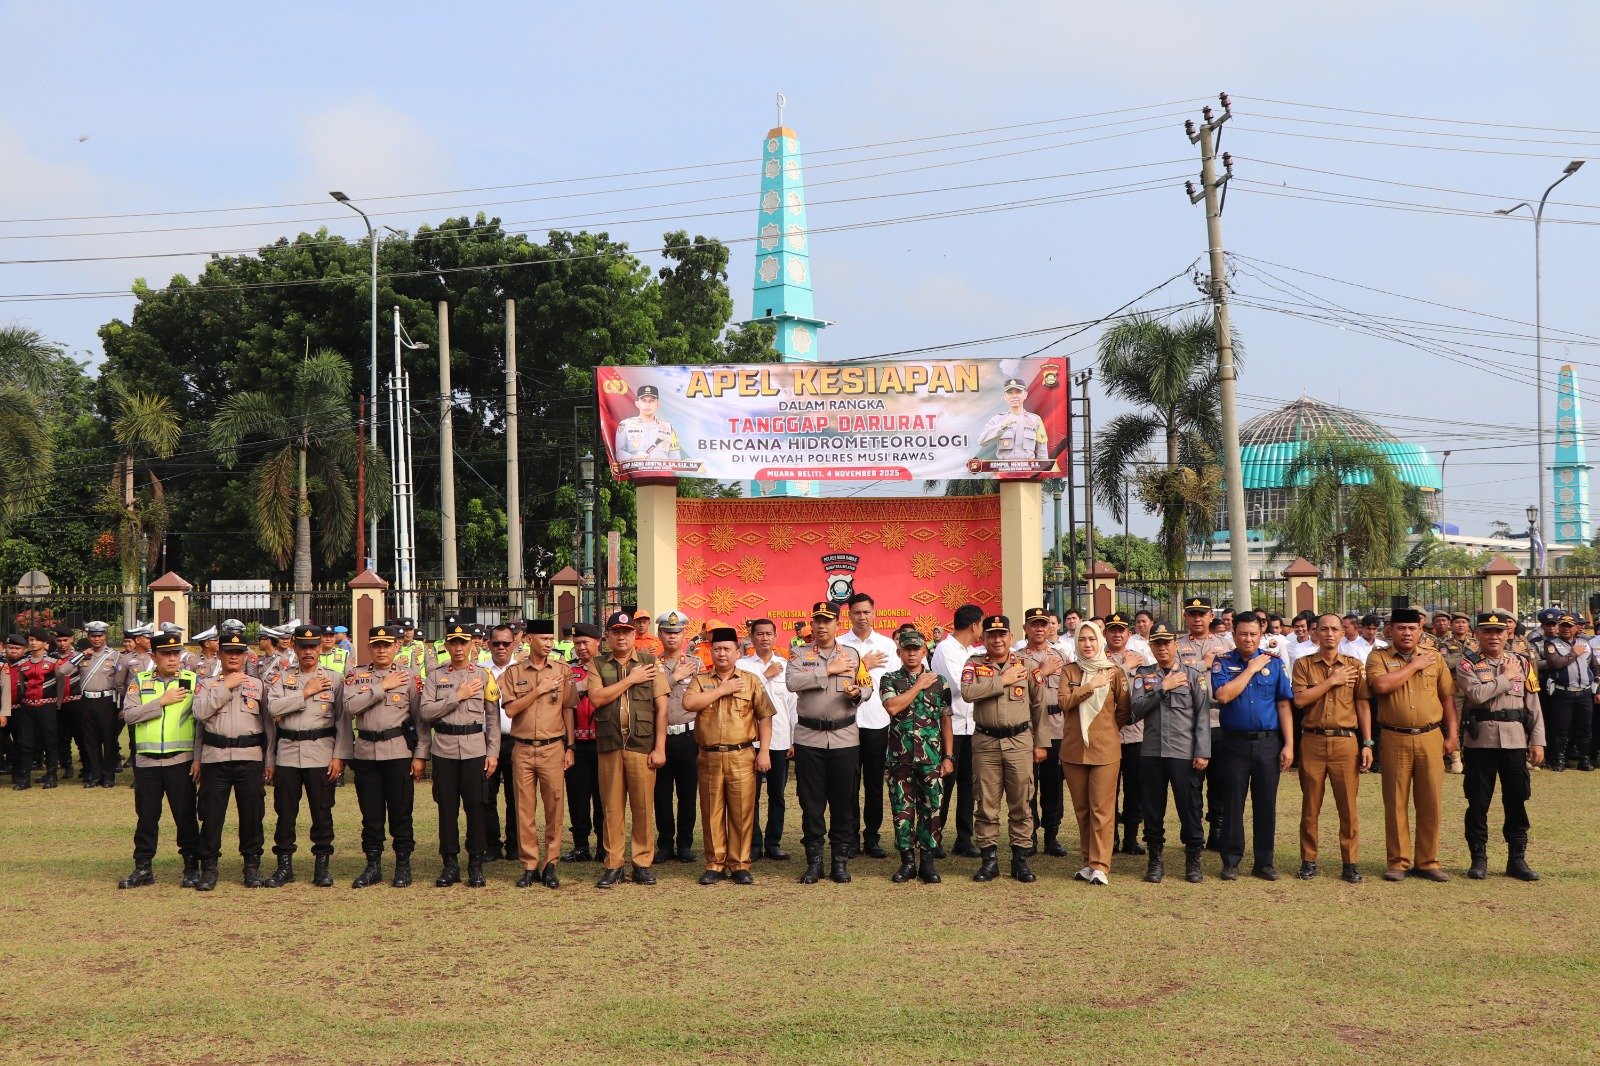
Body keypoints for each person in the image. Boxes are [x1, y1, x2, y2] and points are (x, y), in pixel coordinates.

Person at [1367, 607, 1457, 882]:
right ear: (1390, 630)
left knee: (1431, 800)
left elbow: (1447, 698)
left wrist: (1452, 735)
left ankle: (1428, 861)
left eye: (1412, 628)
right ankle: (1398, 862)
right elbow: (1381, 686)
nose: (1407, 633)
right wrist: (1414, 666)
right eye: (1401, 628)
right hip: (1395, 736)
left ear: (1420, 631)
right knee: (1395, 801)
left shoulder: (1435, 658)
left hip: (1430, 736)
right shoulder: (1378, 656)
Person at [682, 627, 776, 885]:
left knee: (742, 812)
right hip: (709, 756)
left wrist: (764, 751)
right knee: (711, 811)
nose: (721, 654)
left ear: (737, 653)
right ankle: (715, 863)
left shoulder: (750, 680)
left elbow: (765, 717)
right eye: (717, 649)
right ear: (711, 651)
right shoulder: (701, 680)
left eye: (727, 649)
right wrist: (721, 690)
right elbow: (689, 704)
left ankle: (740, 864)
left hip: (741, 754)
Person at [1454, 611, 1544, 881]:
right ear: (1477, 634)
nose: (1494, 636)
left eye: (1499, 631)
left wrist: (1538, 740)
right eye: (1487, 631)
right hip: (1480, 742)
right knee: (1478, 801)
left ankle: (1517, 859)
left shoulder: (1522, 662)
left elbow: (1533, 704)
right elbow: (1477, 695)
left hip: (1515, 741)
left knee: (1517, 799)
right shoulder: (1467, 664)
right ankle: (1478, 858)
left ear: (1508, 634)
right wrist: (1506, 678)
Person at [960, 614, 1048, 884]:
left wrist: (1041, 743)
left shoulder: (1027, 665)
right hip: (985, 743)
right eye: (991, 635)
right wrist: (1003, 680)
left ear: (1010, 637)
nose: (997, 640)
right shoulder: (974, 664)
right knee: (986, 804)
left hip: (1019, 742)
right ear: (984, 638)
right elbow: (968, 693)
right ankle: (989, 860)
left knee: (1021, 802)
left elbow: (1039, 706)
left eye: (1002, 635)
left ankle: (1020, 860)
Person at [786, 601, 869, 885]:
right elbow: (792, 682)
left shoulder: (852, 654)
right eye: (818, 621)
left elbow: (867, 686)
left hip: (845, 738)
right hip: (809, 738)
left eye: (828, 621)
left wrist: (858, 693)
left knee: (843, 802)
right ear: (811, 624)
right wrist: (828, 670)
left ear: (837, 624)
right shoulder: (799, 654)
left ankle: (840, 862)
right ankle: (815, 862)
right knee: (811, 803)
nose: (822, 626)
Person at [263, 624, 350, 889]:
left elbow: (343, 721)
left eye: (313, 646)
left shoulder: (334, 679)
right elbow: (273, 708)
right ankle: (284, 867)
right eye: (303, 647)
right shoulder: (282, 678)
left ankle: (322, 867)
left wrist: (339, 756)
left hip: (321, 753)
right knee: (285, 812)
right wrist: (305, 692)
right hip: (288, 754)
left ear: (320, 648)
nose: (308, 652)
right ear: (294, 647)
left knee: (322, 811)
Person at [586, 610, 669, 888]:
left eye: (626, 632)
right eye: (616, 632)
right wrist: (631, 679)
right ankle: (614, 864)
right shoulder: (598, 664)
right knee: (611, 808)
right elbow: (597, 699)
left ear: (634, 635)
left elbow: (662, 708)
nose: (621, 637)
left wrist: (660, 747)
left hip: (641, 745)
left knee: (643, 807)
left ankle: (642, 863)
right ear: (607, 636)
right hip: (610, 745)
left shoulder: (650, 662)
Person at [1210, 614, 1295, 881]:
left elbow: (1284, 705)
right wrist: (1250, 669)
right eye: (1243, 634)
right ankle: (1231, 861)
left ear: (1261, 635)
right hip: (1234, 743)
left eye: (1253, 634)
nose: (1248, 639)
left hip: (1268, 742)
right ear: (1234, 635)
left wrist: (1289, 744)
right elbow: (1223, 695)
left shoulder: (1275, 663)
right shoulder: (1222, 662)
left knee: (1266, 803)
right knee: (1233, 803)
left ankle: (1264, 862)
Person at [1290, 613, 1373, 884]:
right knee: (1310, 805)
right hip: (1312, 740)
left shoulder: (1354, 665)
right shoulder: (1303, 664)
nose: (1329, 634)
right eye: (1323, 629)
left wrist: (1368, 742)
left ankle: (1350, 862)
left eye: (1334, 629)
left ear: (1342, 633)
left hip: (1345, 741)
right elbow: (1300, 700)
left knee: (1348, 806)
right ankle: (1308, 860)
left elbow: (1362, 704)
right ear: (1315, 633)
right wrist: (1331, 681)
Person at [115, 631, 201, 889]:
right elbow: (129, 715)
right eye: (166, 654)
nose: (173, 659)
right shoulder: (139, 681)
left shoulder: (192, 680)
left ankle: (191, 868)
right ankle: (143, 868)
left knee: (185, 817)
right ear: (154, 656)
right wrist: (160, 702)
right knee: (146, 817)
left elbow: (201, 723)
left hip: (181, 761)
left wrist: (198, 758)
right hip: (147, 763)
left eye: (176, 653)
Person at [420, 622, 502, 889]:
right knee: (446, 808)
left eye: (463, 643)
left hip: (475, 750)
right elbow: (426, 713)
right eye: (453, 643)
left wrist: (493, 753)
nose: (458, 648)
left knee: (476, 807)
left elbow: (493, 719)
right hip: (444, 749)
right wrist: (457, 696)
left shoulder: (483, 676)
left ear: (472, 645)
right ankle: (450, 864)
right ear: (446, 645)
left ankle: (476, 863)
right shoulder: (435, 677)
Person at [1128, 622, 1210, 883]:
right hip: (1152, 752)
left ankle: (1193, 858)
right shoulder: (1144, 675)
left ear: (1176, 644)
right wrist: (1163, 687)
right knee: (1152, 807)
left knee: (1190, 807)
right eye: (1157, 643)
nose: (1162, 647)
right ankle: (1155, 858)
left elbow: (1203, 716)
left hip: (1184, 752)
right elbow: (1136, 709)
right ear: (1151, 646)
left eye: (1167, 642)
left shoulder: (1193, 675)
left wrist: (1202, 752)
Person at [342, 624, 422, 889]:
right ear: (369, 647)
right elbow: (350, 707)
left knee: (401, 812)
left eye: (386, 645)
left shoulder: (409, 677)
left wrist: (420, 755)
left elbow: (419, 719)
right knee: (371, 814)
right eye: (376, 645)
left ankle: (403, 864)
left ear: (396, 646)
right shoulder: (356, 675)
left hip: (398, 752)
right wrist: (381, 687)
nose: (381, 650)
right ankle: (373, 865)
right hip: (366, 753)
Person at [192, 630, 273, 890]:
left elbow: (269, 726)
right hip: (214, 758)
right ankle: (209, 867)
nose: (234, 657)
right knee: (211, 815)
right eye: (229, 652)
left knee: (252, 815)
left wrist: (269, 760)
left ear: (246, 655)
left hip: (249, 757)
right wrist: (225, 687)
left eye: (239, 652)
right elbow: (200, 716)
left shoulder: (258, 685)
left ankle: (252, 866)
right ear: (220, 654)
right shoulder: (207, 684)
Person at [501, 619, 576, 890]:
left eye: (550, 639)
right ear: (528, 640)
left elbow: (568, 709)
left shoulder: (562, 670)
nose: (549, 644)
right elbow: (511, 710)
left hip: (553, 748)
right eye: (543, 639)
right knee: (524, 809)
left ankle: (551, 863)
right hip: (522, 748)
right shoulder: (514, 672)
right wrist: (538, 690)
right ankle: (529, 865)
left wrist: (570, 747)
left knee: (555, 807)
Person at [1056, 620, 1131, 884]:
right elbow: (1064, 702)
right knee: (1082, 809)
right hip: (1074, 749)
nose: (1087, 644)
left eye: (1092, 639)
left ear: (1100, 641)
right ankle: (1088, 862)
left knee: (1102, 809)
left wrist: (1105, 730)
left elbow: (1123, 711)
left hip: (1105, 748)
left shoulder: (1114, 672)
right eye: (1082, 639)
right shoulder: (1069, 671)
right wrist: (1091, 685)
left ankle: (1101, 865)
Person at [879, 627, 953, 884]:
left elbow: (946, 720)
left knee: (932, 809)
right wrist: (918, 685)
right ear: (899, 652)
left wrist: (949, 756)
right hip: (900, 758)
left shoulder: (940, 682)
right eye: (907, 649)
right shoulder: (889, 679)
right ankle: (907, 862)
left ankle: (928, 863)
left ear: (924, 652)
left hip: (931, 758)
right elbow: (892, 707)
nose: (911, 654)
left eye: (916, 649)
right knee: (902, 810)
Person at [839, 592, 897, 859]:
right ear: (849, 615)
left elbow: (895, 683)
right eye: (856, 612)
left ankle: (872, 837)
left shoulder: (887, 645)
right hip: (846, 723)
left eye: (866, 612)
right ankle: (850, 837)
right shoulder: (839, 644)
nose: (861, 617)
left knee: (874, 784)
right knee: (848, 784)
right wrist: (864, 664)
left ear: (874, 613)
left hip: (877, 722)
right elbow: (834, 679)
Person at [738, 618, 797, 861]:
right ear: (751, 637)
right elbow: (742, 695)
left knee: (777, 796)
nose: (764, 638)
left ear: (775, 636)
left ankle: (774, 843)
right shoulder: (742, 665)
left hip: (780, 739)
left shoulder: (785, 665)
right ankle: (753, 843)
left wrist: (792, 739)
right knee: (749, 796)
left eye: (768, 634)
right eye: (759, 634)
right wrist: (765, 675)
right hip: (749, 739)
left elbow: (792, 705)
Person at [931, 604, 983, 859]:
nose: (982, 630)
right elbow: (962, 687)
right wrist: (990, 684)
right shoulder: (946, 649)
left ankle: (964, 838)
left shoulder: (972, 651)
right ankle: (934, 837)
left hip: (971, 725)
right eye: (982, 624)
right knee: (945, 783)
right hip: (949, 726)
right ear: (974, 625)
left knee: (968, 785)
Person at [1175, 597, 1228, 850]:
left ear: (1210, 617)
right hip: (1190, 721)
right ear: (1185, 617)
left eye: (1202, 614)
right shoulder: (1177, 646)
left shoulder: (1226, 645)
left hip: (1219, 720)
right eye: (1192, 614)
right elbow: (1173, 675)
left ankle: (1217, 828)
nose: (1197, 619)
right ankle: (1193, 829)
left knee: (1220, 780)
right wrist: (1202, 664)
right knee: (1191, 782)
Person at [1016, 608, 1068, 856]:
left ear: (1050, 627)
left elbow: (1069, 692)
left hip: (1056, 727)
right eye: (1034, 624)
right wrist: (1041, 673)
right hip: (1026, 726)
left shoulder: (1061, 656)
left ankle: (1051, 835)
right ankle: (1029, 836)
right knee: (1027, 785)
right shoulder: (1016, 659)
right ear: (1025, 628)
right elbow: (1014, 692)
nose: (1039, 629)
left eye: (1043, 624)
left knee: (1053, 784)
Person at [652, 609, 702, 863]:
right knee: (661, 794)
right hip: (660, 737)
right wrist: (675, 678)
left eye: (677, 632)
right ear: (659, 634)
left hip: (688, 736)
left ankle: (685, 843)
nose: (672, 637)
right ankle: (664, 843)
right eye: (667, 632)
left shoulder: (696, 664)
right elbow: (648, 695)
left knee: (687, 793)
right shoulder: (650, 664)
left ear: (684, 635)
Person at [1103, 611, 1153, 855]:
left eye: (1121, 630)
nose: (1116, 634)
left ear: (1128, 633)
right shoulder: (1097, 658)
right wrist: (1124, 668)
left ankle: (1131, 837)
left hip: (1135, 733)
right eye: (1112, 630)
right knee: (1107, 789)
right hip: (1107, 732)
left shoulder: (1140, 658)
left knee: (1135, 787)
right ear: (1105, 633)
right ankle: (1110, 837)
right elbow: (1100, 685)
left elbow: (1149, 690)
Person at [562, 623, 605, 862]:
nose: (581, 647)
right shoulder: (569, 670)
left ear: (598, 641)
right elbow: (563, 701)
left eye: (585, 642)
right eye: (577, 643)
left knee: (603, 795)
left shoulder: (608, 667)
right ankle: (580, 845)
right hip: (576, 742)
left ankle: (603, 845)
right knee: (577, 795)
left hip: (602, 742)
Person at [480, 625, 520, 864]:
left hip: (516, 740)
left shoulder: (522, 669)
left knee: (516, 795)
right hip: (485, 741)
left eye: (506, 643)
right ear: (488, 645)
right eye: (496, 643)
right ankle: (491, 845)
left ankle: (515, 844)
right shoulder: (480, 670)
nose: (501, 647)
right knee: (486, 794)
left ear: (514, 644)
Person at [72, 621, 122, 789]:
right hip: (87, 700)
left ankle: (108, 776)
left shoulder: (115, 656)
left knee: (109, 740)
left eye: (100, 636)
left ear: (105, 636)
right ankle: (95, 775)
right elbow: (64, 670)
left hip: (107, 701)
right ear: (89, 637)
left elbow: (121, 680)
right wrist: (81, 655)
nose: (96, 639)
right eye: (93, 636)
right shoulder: (82, 655)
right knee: (90, 740)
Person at [12, 627, 64, 789]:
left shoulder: (54, 661)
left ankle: (51, 775)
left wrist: (58, 703)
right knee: (25, 742)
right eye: (31, 640)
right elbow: (22, 684)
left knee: (50, 741)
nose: (33, 643)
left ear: (44, 642)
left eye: (37, 640)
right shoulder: (23, 662)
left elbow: (61, 684)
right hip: (28, 707)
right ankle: (24, 778)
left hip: (47, 706)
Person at [1540, 614, 1592, 772]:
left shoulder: (1585, 642)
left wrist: (1596, 679)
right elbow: (1555, 664)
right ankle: (1560, 759)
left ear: (1576, 628)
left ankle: (1584, 759)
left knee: (1584, 727)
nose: (1566, 629)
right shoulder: (1551, 643)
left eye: (1569, 626)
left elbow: (1594, 665)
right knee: (1561, 727)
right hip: (1563, 692)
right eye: (1563, 625)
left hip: (1583, 692)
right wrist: (1574, 653)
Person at [978, 377, 1047, 461]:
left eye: (1018, 392)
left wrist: (1042, 469)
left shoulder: (1035, 420)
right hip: (1004, 468)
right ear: (1005, 396)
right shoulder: (998, 419)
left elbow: (1042, 452)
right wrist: (1003, 426)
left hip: (1028, 468)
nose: (1014, 396)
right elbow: (981, 441)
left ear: (1025, 394)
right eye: (1010, 393)